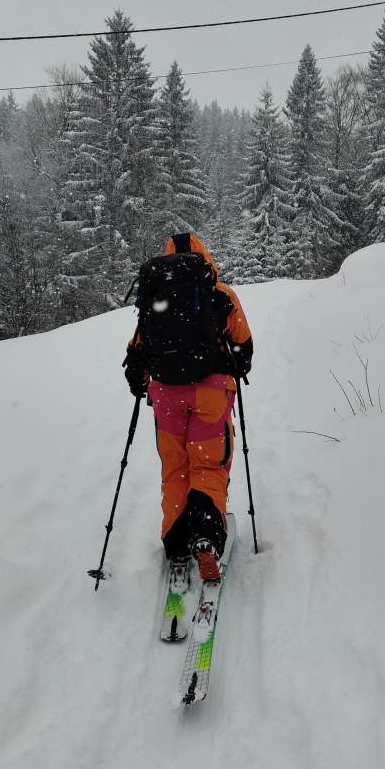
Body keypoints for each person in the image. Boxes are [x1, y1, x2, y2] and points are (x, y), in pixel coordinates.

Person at [124, 232, 253, 588]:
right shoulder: (220, 293)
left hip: (166, 395)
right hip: (210, 395)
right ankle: (206, 536)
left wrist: (142, 378)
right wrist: (231, 368)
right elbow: (243, 347)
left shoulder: (156, 294)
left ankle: (176, 542)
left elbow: (139, 348)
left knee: (176, 466)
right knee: (208, 463)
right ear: (205, 255)